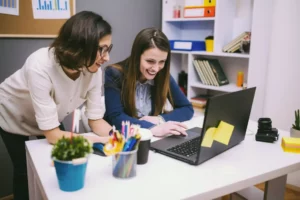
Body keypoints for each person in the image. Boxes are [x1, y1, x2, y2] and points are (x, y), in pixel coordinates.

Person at [0, 11, 113, 200]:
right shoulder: (40, 64)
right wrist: (96, 140)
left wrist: (118, 138)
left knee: (59, 161)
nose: (107, 57)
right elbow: (53, 135)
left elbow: (96, 120)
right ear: (79, 46)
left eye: (109, 49)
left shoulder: (94, 71)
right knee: (24, 169)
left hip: (48, 119)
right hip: (12, 111)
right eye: (102, 49)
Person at [104, 28, 194, 137]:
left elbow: (187, 109)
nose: (156, 69)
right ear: (137, 57)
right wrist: (152, 128)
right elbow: (116, 117)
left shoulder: (162, 74)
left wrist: (159, 119)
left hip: (150, 138)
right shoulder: (114, 73)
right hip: (120, 139)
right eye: (150, 61)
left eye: (162, 62)